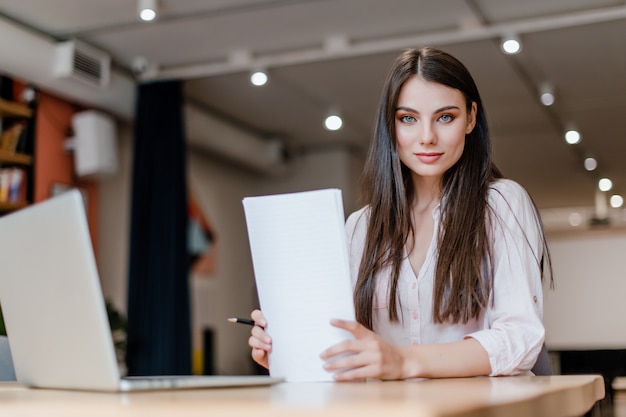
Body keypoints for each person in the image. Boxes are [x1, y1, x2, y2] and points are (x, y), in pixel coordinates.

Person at [248, 46, 552, 381]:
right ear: (390, 127)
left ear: (471, 117)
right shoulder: (361, 227)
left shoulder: (500, 203)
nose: (427, 137)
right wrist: (292, 349)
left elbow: (519, 338)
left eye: (445, 117)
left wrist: (404, 361)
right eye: (408, 119)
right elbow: (351, 346)